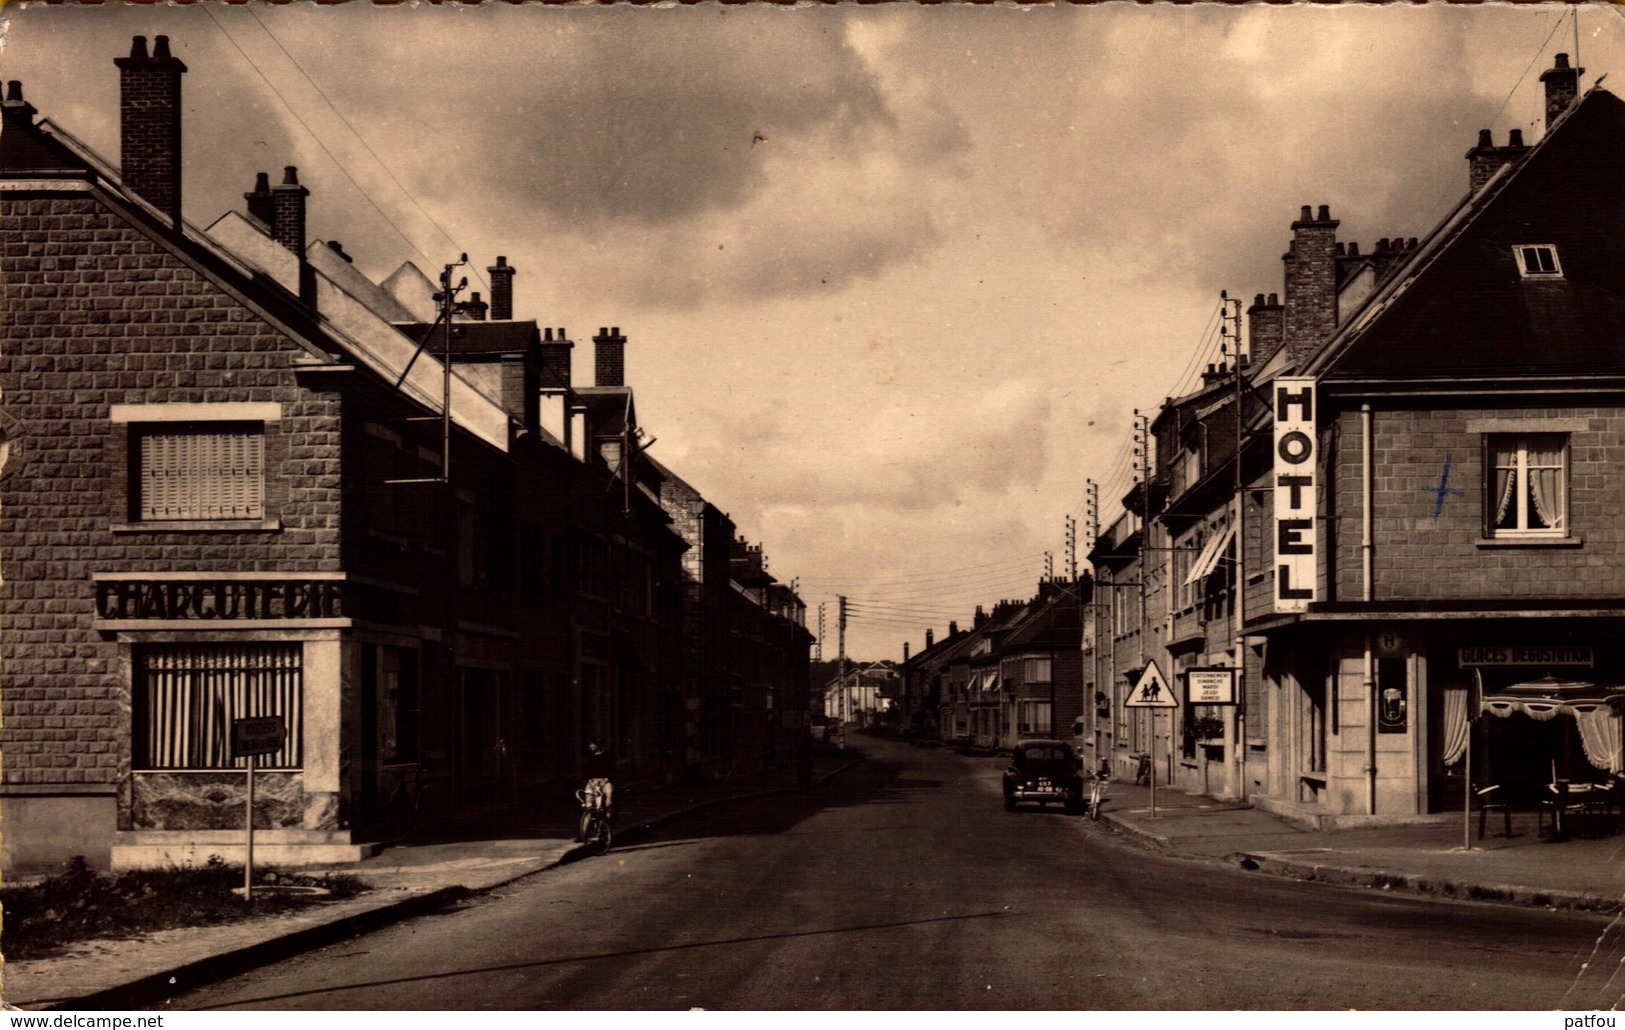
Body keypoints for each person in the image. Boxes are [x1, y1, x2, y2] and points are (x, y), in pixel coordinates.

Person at [576, 738, 615, 843]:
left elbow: (612, 771)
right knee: (588, 808)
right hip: (592, 783)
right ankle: (583, 834)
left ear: (598, 745)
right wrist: (590, 780)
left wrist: (606, 780)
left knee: (608, 803)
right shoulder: (590, 757)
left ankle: (605, 829)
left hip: (605, 782)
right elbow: (587, 771)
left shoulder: (608, 756)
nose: (590, 746)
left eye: (592, 744)